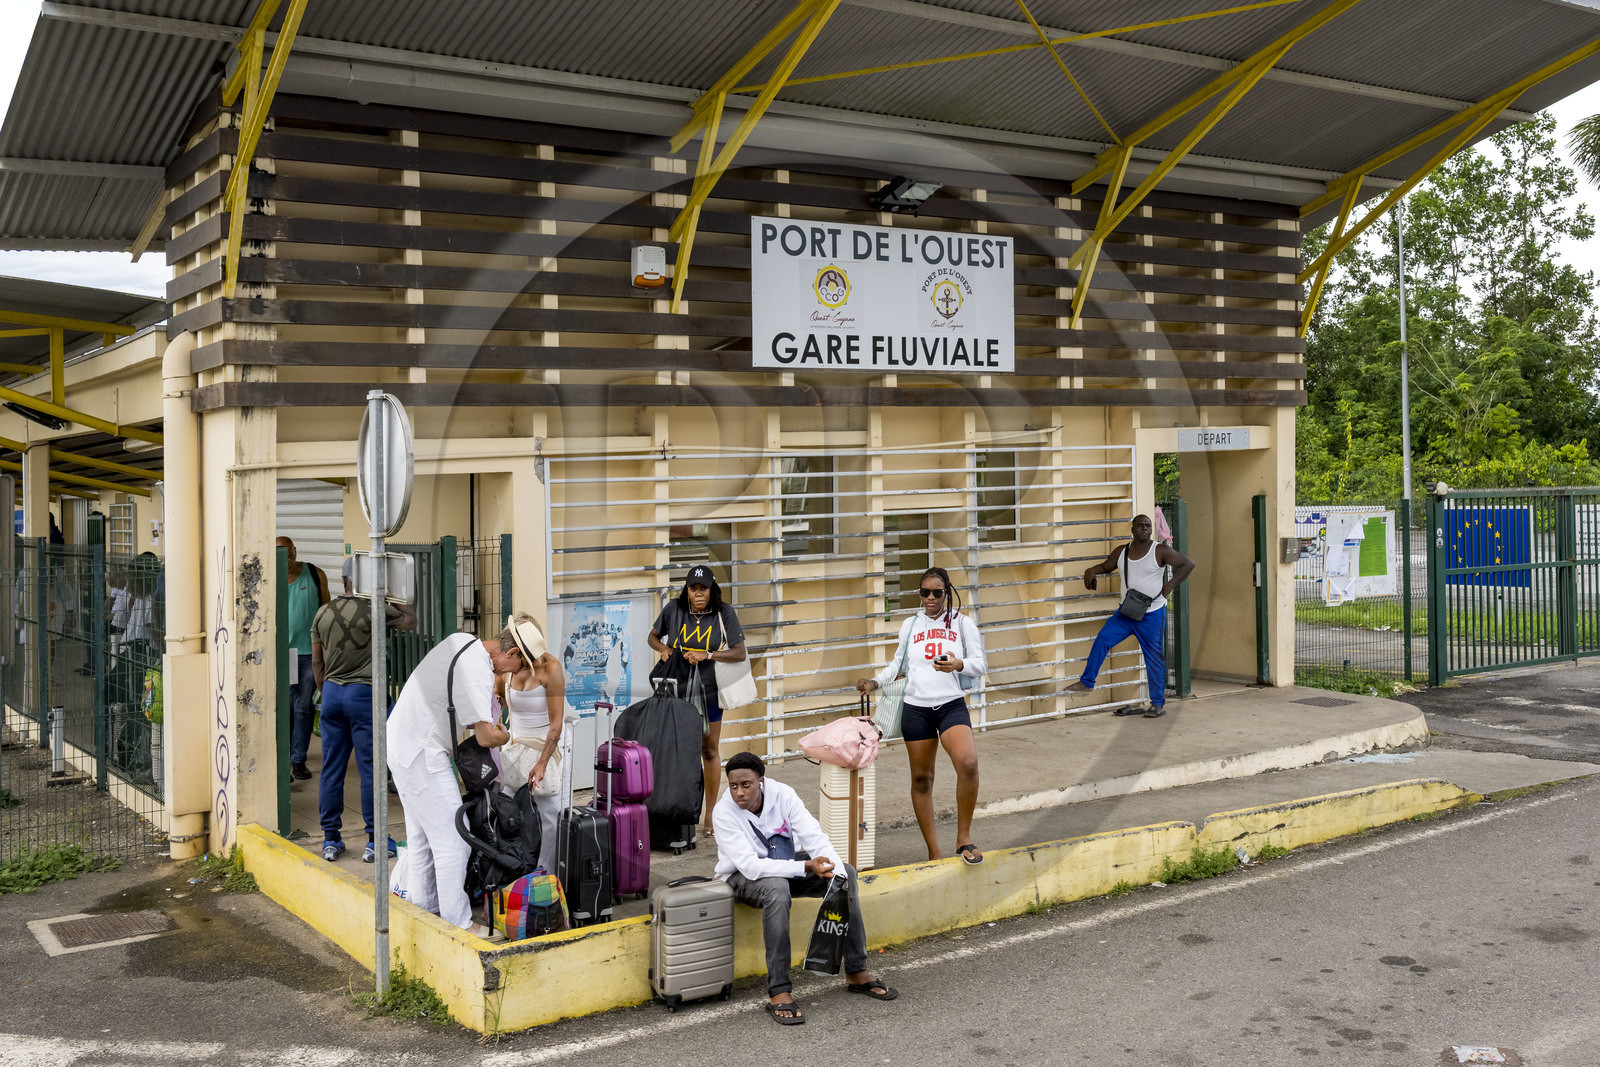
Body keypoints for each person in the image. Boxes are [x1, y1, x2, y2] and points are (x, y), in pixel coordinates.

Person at [713, 751, 897, 1025]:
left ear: (761, 780)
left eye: (746, 785)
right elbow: (750, 867)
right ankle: (779, 990)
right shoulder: (723, 812)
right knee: (777, 889)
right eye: (733, 786)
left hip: (787, 867)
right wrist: (806, 867)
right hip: (741, 879)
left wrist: (833, 872)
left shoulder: (783, 795)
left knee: (846, 873)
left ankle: (856, 970)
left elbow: (814, 837)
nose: (739, 792)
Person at [386, 621, 524, 934]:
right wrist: (507, 736)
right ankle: (458, 923)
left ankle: (425, 913)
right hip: (422, 754)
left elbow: (451, 705)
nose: (512, 674)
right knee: (455, 841)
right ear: (512, 652)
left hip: (404, 744)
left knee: (422, 841)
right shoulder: (477, 670)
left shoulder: (463, 641)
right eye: (518, 666)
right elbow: (486, 737)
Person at [856, 566, 987, 864]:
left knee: (968, 764)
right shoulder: (911, 624)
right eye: (925, 592)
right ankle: (934, 852)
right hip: (916, 709)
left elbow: (980, 664)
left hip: (950, 705)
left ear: (946, 593)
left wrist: (958, 664)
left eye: (937, 593)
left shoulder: (962, 623)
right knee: (922, 779)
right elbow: (898, 665)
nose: (930, 598)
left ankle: (964, 838)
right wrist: (874, 682)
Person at [310, 560, 417, 863]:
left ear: (343, 578)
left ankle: (331, 840)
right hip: (364, 695)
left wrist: (328, 691)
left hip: (331, 693)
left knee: (332, 768)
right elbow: (411, 621)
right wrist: (395, 592)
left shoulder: (323, 612)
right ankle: (375, 840)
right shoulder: (375, 609)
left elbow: (317, 662)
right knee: (370, 769)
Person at [647, 563, 747, 839]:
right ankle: (674, 810)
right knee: (674, 748)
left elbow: (739, 652)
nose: (699, 593)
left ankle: (710, 814)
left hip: (709, 688)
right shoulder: (674, 609)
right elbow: (652, 636)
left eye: (704, 588)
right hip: (675, 686)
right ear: (687, 590)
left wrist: (708, 655)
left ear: (712, 589)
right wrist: (663, 648)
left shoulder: (724, 612)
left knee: (709, 749)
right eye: (693, 588)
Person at [1067, 514, 1196, 718]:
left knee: (1154, 658)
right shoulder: (1122, 551)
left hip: (1152, 614)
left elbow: (1188, 564)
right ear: (1133, 529)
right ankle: (1087, 682)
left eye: (1148, 526)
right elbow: (1106, 566)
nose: (1145, 528)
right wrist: (1091, 570)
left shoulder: (1159, 550)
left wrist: (1170, 585)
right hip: (1126, 613)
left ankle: (1157, 704)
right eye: (1140, 525)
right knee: (1103, 639)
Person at [495, 612, 566, 874]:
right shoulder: (506, 668)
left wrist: (543, 763)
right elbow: (498, 703)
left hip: (546, 746)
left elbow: (556, 724)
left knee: (551, 812)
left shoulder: (551, 667)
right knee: (504, 807)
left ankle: (545, 872)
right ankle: (512, 866)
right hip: (516, 746)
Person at [276, 536, 329, 781]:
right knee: (286, 707)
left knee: (303, 707)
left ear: (295, 552)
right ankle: (283, 760)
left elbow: (326, 611)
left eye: (289, 554)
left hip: (310, 652)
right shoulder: (269, 579)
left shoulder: (315, 574)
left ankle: (298, 759)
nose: (286, 560)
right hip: (283, 653)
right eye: (280, 555)